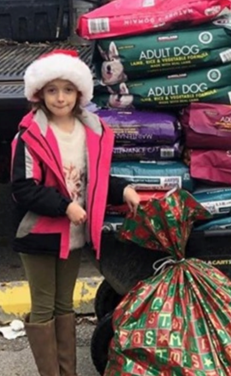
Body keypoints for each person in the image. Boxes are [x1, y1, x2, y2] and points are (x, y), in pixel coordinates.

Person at [10, 49, 140, 376]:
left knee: (64, 306)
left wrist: (122, 189)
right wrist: (65, 206)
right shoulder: (30, 135)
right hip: (39, 233)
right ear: (39, 94)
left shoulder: (91, 129)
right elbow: (23, 188)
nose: (60, 97)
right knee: (43, 306)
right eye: (52, 90)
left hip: (73, 234)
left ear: (79, 93)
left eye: (67, 90)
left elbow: (94, 178)